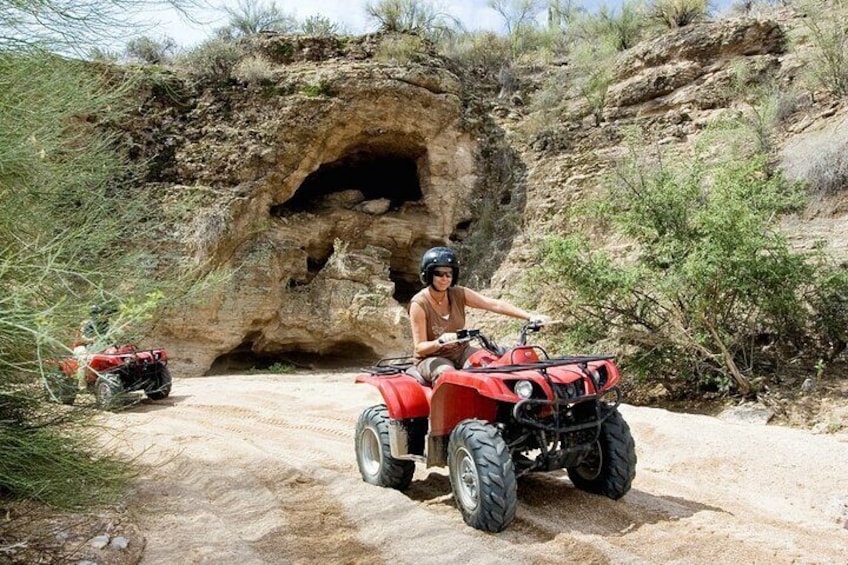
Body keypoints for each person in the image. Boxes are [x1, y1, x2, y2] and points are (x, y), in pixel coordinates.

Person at [409, 246, 549, 383]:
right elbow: (420, 348)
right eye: (439, 273)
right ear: (427, 274)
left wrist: (530, 316)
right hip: (432, 357)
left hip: (462, 351)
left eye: (449, 274)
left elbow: (493, 304)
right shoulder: (419, 304)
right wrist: (439, 342)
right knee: (448, 376)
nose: (444, 278)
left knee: (492, 364)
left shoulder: (458, 293)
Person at [72, 304, 114, 390]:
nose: (96, 315)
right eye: (94, 313)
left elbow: (109, 337)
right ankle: (82, 386)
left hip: (96, 346)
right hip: (82, 346)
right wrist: (91, 340)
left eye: (97, 313)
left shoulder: (104, 325)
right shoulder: (85, 323)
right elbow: (82, 337)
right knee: (84, 360)